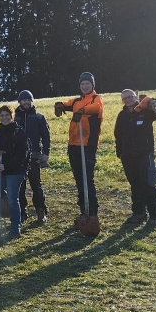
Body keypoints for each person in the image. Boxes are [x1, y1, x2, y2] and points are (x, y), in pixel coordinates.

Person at [115, 89, 156, 226]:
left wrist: (151, 101)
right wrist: (120, 153)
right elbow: (118, 135)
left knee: (148, 184)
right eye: (124, 98)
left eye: (130, 97)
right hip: (128, 156)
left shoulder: (146, 111)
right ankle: (139, 213)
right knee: (135, 185)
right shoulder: (122, 115)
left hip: (144, 154)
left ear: (135, 96)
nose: (128, 100)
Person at [55, 72, 105, 221]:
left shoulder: (96, 99)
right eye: (82, 84)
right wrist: (59, 105)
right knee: (79, 178)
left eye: (87, 83)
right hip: (74, 144)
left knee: (87, 178)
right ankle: (83, 209)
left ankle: (92, 211)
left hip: (88, 145)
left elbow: (95, 108)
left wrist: (82, 111)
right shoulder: (77, 101)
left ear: (92, 85)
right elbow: (66, 104)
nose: (84, 86)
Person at [0, 105, 29, 239]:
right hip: (1, 171)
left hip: (15, 171)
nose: (4, 118)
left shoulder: (19, 132)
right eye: (2, 115)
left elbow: (23, 154)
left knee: (12, 199)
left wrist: (6, 166)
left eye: (7, 115)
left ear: (12, 116)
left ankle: (15, 229)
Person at [14, 90, 51, 225]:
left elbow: (46, 137)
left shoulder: (39, 118)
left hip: (34, 157)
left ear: (32, 101)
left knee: (36, 185)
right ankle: (22, 212)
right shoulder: (13, 118)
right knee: (20, 186)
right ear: (20, 101)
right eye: (24, 100)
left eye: (28, 100)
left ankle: (41, 211)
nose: (26, 102)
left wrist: (45, 153)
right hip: (18, 159)